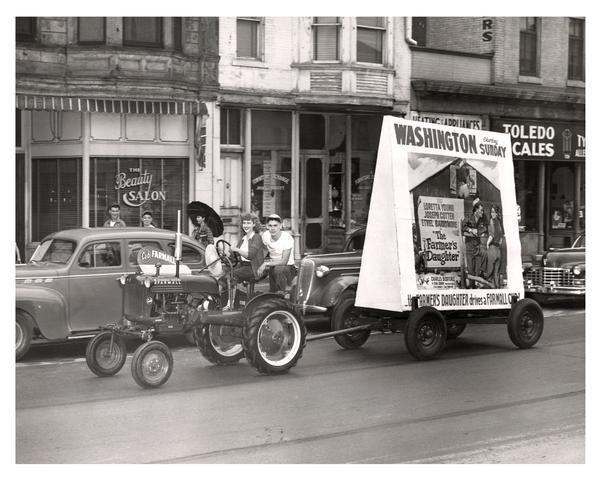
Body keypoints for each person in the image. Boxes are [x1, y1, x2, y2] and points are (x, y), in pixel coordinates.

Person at [258, 213, 296, 293]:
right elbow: (264, 250)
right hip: (273, 266)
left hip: (287, 267)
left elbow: (284, 261)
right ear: (267, 226)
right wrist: (259, 262)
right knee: (273, 291)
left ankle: (282, 296)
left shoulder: (287, 238)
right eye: (270, 225)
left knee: (278, 271)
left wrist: (265, 263)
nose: (273, 228)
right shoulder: (266, 235)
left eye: (275, 225)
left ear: (280, 226)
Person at [462, 200, 488, 284]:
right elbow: (462, 227)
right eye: (481, 210)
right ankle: (471, 287)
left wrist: (478, 231)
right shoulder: (469, 218)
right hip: (469, 248)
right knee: (471, 271)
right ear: (476, 210)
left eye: (483, 210)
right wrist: (470, 230)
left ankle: (481, 276)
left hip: (478, 247)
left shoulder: (482, 219)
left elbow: (485, 227)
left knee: (484, 257)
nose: (482, 212)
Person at [485, 205, 504, 288]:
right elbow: (502, 237)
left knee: (488, 271)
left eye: (493, 212)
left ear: (496, 213)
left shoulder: (491, 221)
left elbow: (492, 235)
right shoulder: (499, 222)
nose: (492, 213)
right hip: (498, 250)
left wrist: (487, 243)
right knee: (496, 273)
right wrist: (499, 244)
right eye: (491, 212)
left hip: (492, 248)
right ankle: (497, 289)